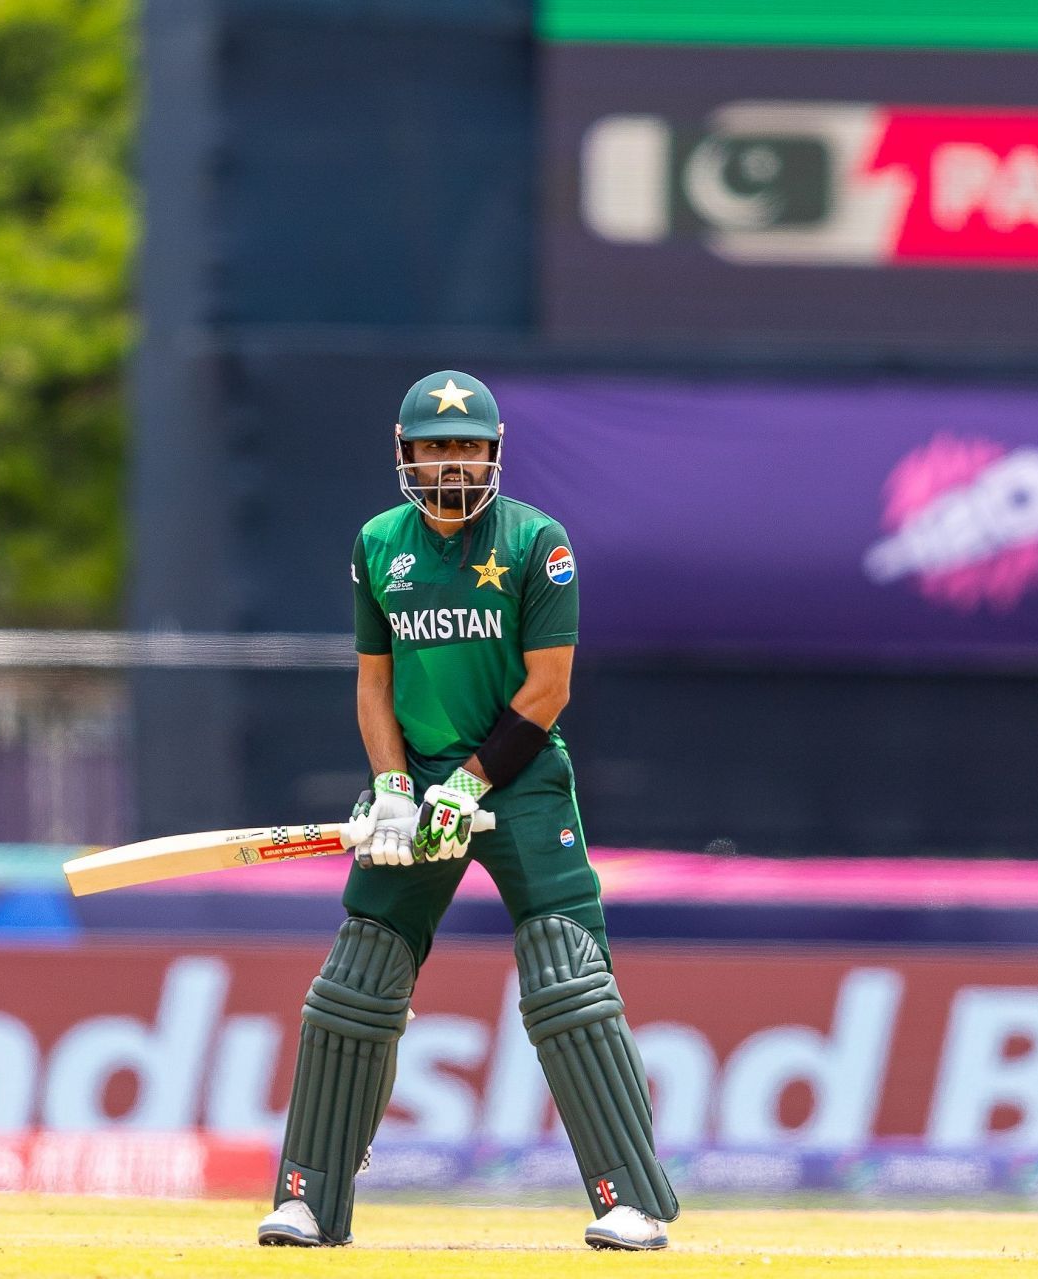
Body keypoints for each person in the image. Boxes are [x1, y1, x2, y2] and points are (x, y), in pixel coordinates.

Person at [256, 370, 680, 1251]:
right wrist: (399, 787)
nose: (452, 463)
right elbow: (374, 685)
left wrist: (467, 785)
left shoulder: (537, 542)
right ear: (406, 453)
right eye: (436, 446)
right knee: (357, 982)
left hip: (517, 779)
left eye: (468, 446)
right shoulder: (379, 543)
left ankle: (628, 1199)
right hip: (413, 781)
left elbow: (549, 687)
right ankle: (308, 1197)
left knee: (567, 977)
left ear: (493, 453)